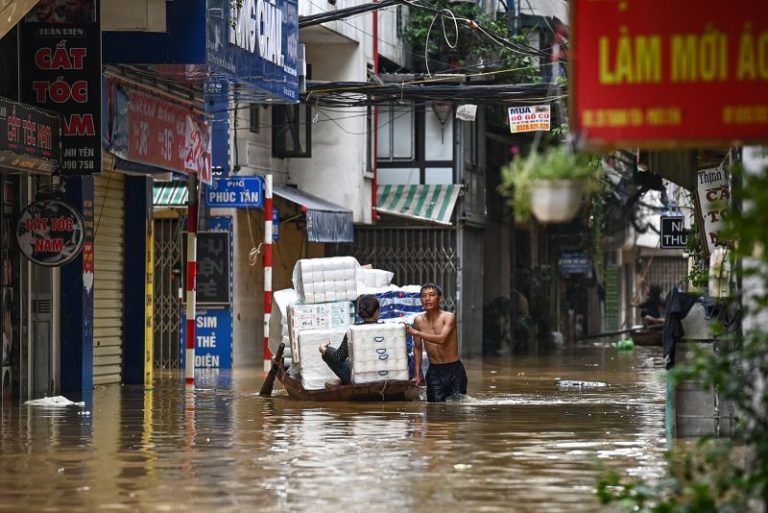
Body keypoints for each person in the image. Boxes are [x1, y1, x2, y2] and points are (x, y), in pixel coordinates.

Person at [407, 282, 467, 402]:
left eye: (431, 295)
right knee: (434, 406)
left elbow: (441, 339)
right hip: (434, 370)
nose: (427, 298)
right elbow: (417, 348)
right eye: (424, 296)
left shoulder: (449, 317)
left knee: (457, 405)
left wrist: (416, 333)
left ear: (440, 298)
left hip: (454, 369)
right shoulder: (418, 320)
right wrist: (417, 374)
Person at [318, 294, 380, 385]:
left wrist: (323, 349)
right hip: (382, 374)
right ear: (376, 312)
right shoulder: (388, 330)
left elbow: (338, 358)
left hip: (358, 377)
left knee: (328, 353)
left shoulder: (353, 331)